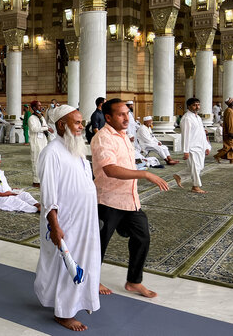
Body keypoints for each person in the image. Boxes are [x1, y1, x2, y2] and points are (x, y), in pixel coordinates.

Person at [91, 99, 169, 298]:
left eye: (127, 113)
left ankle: (134, 281)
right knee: (98, 243)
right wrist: (145, 175)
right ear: (108, 117)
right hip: (108, 200)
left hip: (129, 199)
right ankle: (91, 280)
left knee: (142, 237)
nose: (127, 118)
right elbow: (110, 169)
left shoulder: (124, 135)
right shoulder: (103, 138)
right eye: (121, 114)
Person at [34, 105, 100, 332]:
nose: (82, 126)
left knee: (81, 262)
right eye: (78, 123)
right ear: (62, 125)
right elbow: (49, 196)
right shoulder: (51, 152)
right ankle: (63, 313)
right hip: (65, 223)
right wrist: (55, 227)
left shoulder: (75, 148)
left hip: (83, 221)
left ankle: (79, 300)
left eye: (82, 122)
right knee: (65, 266)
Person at [173, 98, 211, 194]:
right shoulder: (187, 118)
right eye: (194, 105)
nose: (197, 107)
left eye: (198, 104)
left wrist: (207, 146)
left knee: (199, 167)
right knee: (195, 168)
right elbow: (186, 135)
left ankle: (179, 175)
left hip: (200, 146)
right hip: (192, 147)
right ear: (189, 106)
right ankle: (195, 186)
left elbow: (202, 133)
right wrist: (185, 150)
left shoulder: (197, 117)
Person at [28, 100, 51, 187]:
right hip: (36, 142)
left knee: (43, 161)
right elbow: (34, 129)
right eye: (39, 106)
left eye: (41, 105)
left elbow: (44, 125)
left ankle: (42, 179)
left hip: (43, 141)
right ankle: (36, 181)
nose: (41, 107)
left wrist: (41, 118)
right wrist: (45, 128)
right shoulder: (31, 118)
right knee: (36, 160)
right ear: (34, 108)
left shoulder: (41, 117)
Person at [214, 97, 233, 163]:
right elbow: (230, 123)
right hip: (229, 132)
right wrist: (231, 132)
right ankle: (217, 156)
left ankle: (231, 160)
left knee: (231, 147)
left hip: (229, 132)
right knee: (228, 147)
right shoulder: (229, 111)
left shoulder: (230, 110)